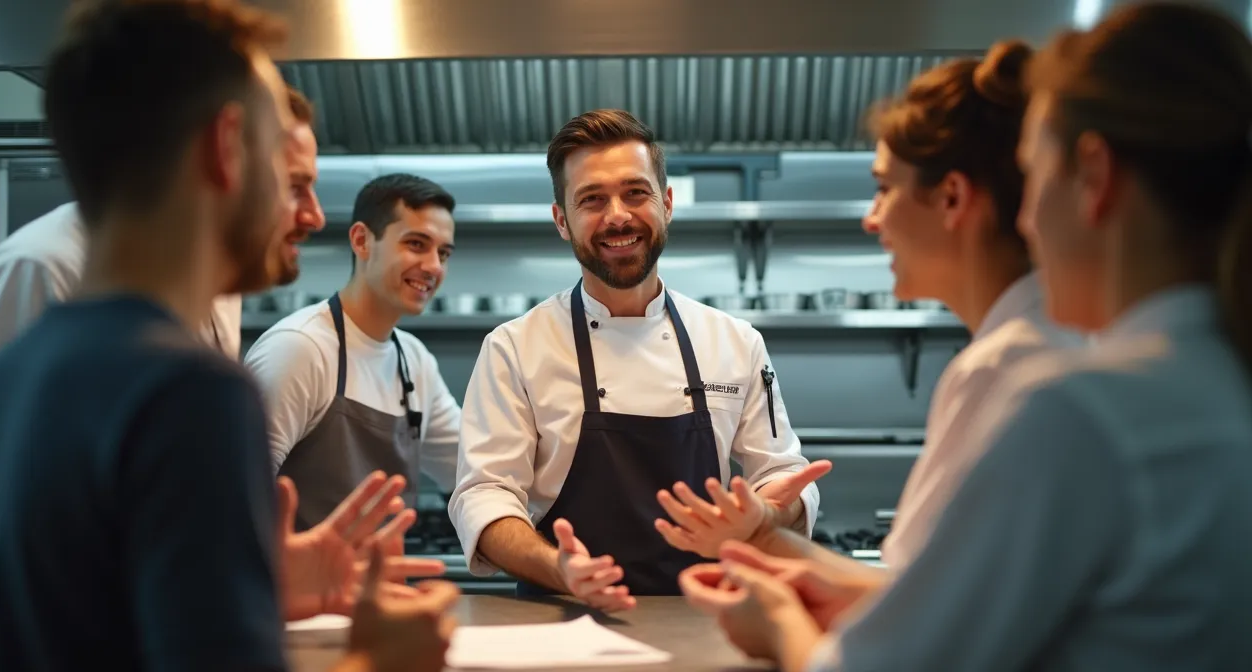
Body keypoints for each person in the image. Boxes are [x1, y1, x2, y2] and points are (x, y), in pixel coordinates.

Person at [680, 3, 1252, 670]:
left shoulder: (1082, 410)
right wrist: (833, 580)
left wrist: (777, 619)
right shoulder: (1216, 381)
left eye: (1036, 175)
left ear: (1094, 177)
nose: (1028, 216)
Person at [0, 1, 458, 670]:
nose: (309, 213)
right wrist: (382, 660)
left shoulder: (16, 370)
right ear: (225, 147)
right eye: (281, 159)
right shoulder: (189, 390)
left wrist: (253, 587)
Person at [656, 41, 1084, 577]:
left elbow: (924, 633)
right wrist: (765, 532)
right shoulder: (1041, 349)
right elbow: (926, 603)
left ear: (951, 198)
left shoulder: (1007, 371)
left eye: (883, 188)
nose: (872, 219)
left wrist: (779, 626)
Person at [449, 108, 829, 611]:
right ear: (562, 220)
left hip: (707, 624)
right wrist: (557, 568)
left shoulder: (734, 341)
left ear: (667, 203)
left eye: (635, 192)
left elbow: (778, 474)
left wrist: (765, 512)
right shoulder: (515, 348)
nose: (617, 216)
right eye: (591, 199)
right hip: (563, 624)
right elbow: (485, 493)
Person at [0, 85, 323, 451]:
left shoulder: (216, 281)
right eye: (292, 186)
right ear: (217, 161)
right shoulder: (34, 269)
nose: (315, 216)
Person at [244, 173, 462, 529]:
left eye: (444, 252)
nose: (435, 266)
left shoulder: (414, 360)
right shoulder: (300, 348)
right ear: (362, 241)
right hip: (292, 583)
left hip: (376, 582)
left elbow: (469, 468)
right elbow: (236, 497)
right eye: (417, 244)